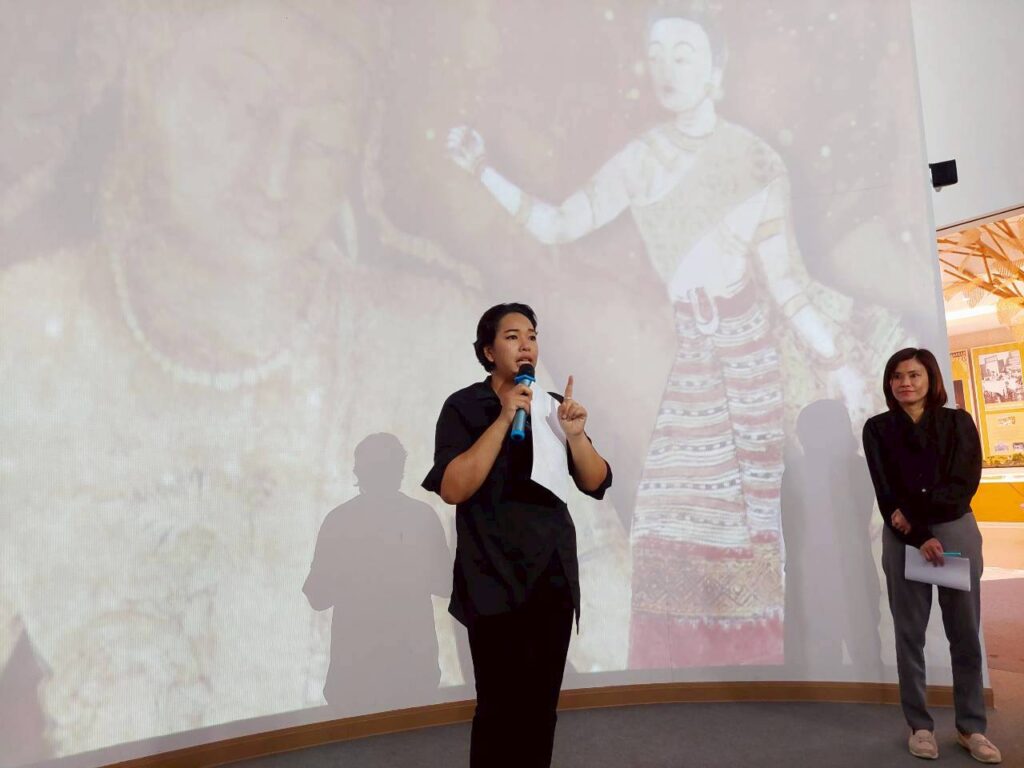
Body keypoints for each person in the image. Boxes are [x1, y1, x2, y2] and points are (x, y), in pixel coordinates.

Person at [444, 2, 916, 668]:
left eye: (684, 54)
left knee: (757, 531)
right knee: (666, 528)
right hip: (698, 366)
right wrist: (482, 170)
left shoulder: (756, 161)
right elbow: (558, 224)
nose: (667, 68)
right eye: (657, 55)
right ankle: (694, 677)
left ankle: (774, 670)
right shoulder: (641, 161)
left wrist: (837, 362)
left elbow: (786, 285)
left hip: (752, 364)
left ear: (716, 70)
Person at [422, 302, 611, 768]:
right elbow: (453, 488)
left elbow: (596, 481)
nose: (526, 345)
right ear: (489, 351)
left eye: (532, 336)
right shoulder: (464, 406)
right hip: (492, 577)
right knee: (498, 710)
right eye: (512, 336)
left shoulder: (552, 407)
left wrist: (576, 435)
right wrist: (506, 416)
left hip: (551, 577)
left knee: (540, 710)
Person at [863, 348, 1001, 764]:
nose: (905, 382)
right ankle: (920, 726)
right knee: (909, 634)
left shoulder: (958, 422)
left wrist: (918, 519)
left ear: (931, 379)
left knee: (964, 632)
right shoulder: (878, 428)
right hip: (904, 536)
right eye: (897, 376)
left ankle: (971, 727)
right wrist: (918, 534)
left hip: (952, 530)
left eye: (914, 374)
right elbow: (885, 491)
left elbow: (963, 483)